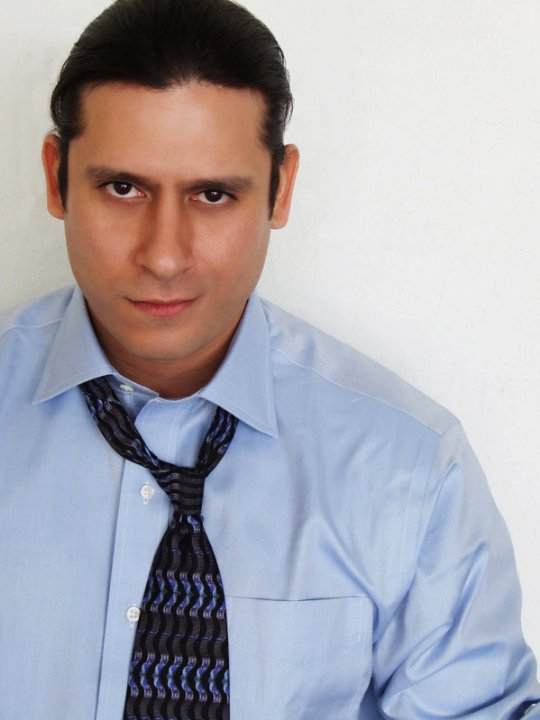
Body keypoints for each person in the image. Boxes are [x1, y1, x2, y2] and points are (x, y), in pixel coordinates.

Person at [0, 0, 538, 718]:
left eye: (213, 194)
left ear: (281, 189)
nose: (164, 256)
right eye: (123, 188)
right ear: (56, 177)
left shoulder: (409, 470)